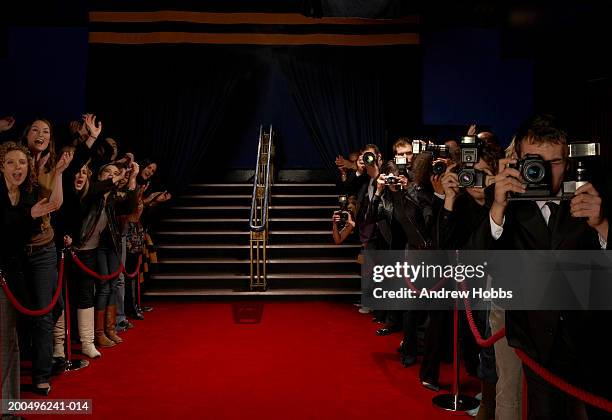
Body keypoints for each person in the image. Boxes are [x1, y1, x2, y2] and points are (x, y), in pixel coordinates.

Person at [473, 114, 610, 419]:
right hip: (535, 345)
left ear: (569, 160)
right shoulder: (502, 201)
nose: (543, 171)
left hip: (591, 340)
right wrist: (498, 208)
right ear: (516, 160)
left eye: (555, 162)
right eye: (534, 161)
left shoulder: (592, 196)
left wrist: (602, 227)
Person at [1, 141, 58, 413]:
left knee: (10, 341)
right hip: (3, 273)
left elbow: (17, 237)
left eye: (22, 163)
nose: (17, 168)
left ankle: (8, 407)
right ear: (1, 166)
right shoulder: (21, 204)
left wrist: (57, 173)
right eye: (11, 162)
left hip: (12, 273)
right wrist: (28, 214)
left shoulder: (27, 197)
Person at [21, 119, 73, 395]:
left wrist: (59, 173)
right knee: (22, 313)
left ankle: (41, 373)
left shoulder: (51, 167)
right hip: (16, 249)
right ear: (26, 135)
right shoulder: (16, 162)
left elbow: (56, 204)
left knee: (47, 310)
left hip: (44, 248)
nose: (41, 135)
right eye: (35, 130)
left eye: (46, 132)